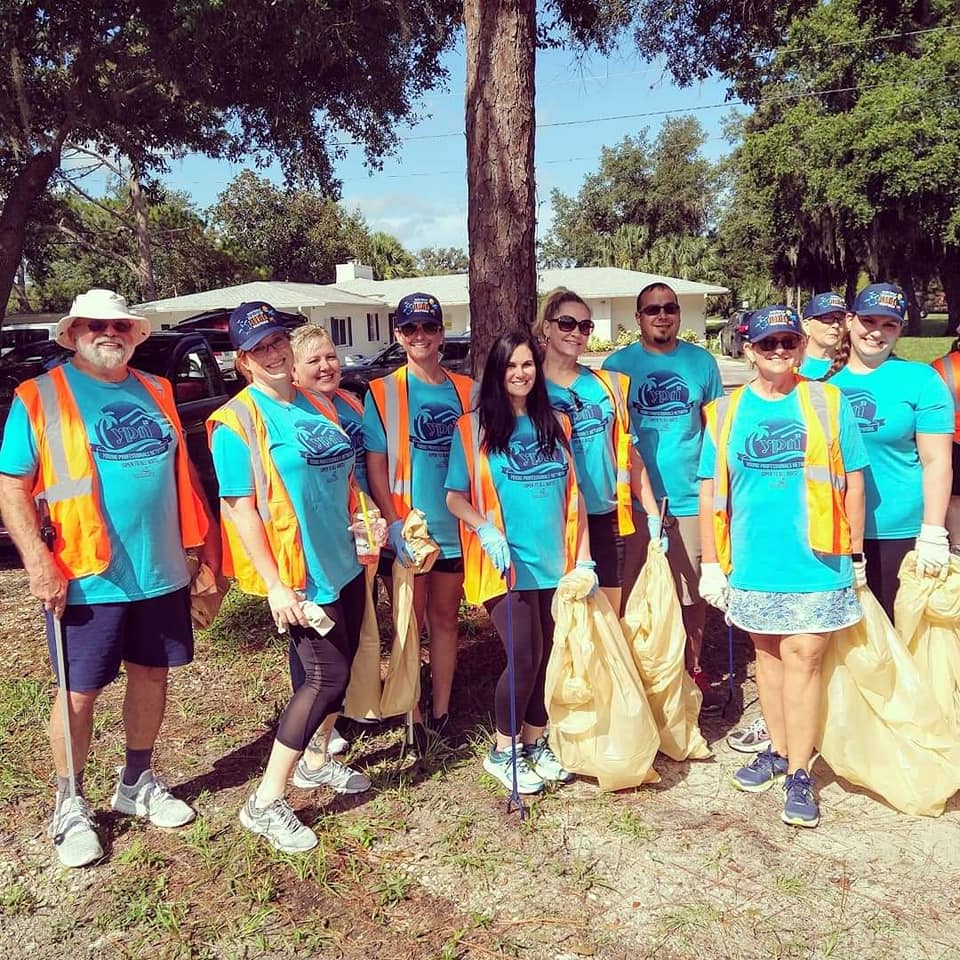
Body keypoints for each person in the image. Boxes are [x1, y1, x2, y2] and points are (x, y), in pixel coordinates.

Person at [0, 288, 218, 868]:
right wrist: (39, 563)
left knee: (151, 674)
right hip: (85, 574)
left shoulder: (157, 390)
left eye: (120, 324)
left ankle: (137, 781)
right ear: (71, 333)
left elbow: (181, 476)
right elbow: (12, 485)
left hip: (161, 569)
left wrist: (199, 554)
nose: (109, 333)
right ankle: (69, 803)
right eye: (94, 324)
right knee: (79, 691)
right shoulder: (39, 396)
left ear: (134, 333)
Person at [208, 302, 373, 855]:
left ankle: (315, 763)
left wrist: (362, 521)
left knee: (336, 677)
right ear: (243, 361)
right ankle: (265, 801)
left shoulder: (316, 404)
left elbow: (339, 477)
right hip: (300, 576)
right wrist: (276, 585)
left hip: (344, 563)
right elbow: (240, 508)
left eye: (279, 341)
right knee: (326, 678)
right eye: (260, 348)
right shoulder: (239, 422)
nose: (275, 353)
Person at [697, 305, 868, 828]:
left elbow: (854, 480)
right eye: (767, 343)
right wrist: (710, 563)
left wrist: (856, 554)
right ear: (748, 349)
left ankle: (798, 770)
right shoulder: (724, 412)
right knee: (767, 658)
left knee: (805, 658)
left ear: (800, 347)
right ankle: (776, 747)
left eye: (788, 342)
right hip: (751, 561)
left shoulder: (827, 400)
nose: (778, 352)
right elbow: (709, 490)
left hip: (818, 558)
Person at [445, 329, 593, 794]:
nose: (520, 373)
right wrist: (484, 528)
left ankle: (534, 742)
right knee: (524, 656)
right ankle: (503, 750)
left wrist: (584, 558)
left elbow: (576, 495)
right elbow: (454, 497)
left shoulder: (557, 423)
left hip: (555, 562)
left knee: (548, 656)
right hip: (505, 565)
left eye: (527, 364)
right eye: (511, 366)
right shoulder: (471, 428)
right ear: (497, 372)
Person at [363, 293, 474, 750]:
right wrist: (393, 522)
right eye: (411, 329)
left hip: (453, 529)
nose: (420, 336)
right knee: (408, 625)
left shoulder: (466, 390)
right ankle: (411, 715)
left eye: (428, 327)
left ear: (441, 333)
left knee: (445, 620)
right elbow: (374, 463)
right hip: (411, 532)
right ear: (399, 335)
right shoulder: (382, 391)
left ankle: (442, 710)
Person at [602, 282, 723, 702]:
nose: (662, 315)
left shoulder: (701, 363)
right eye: (652, 309)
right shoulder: (617, 367)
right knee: (634, 591)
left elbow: (715, 433)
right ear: (638, 317)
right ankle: (638, 673)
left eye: (669, 308)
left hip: (689, 497)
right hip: (633, 502)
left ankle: (692, 669)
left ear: (678, 315)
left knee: (691, 594)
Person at [823, 283, 954, 617]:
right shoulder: (819, 387)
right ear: (850, 321)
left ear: (900, 330)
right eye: (869, 321)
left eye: (889, 324)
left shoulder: (920, 379)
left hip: (902, 532)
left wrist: (934, 531)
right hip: (835, 530)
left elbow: (937, 460)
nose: (876, 332)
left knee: (903, 639)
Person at [538, 287, 660, 613]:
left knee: (608, 617)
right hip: (554, 521)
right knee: (564, 625)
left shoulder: (609, 384)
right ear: (547, 327)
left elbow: (629, 453)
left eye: (585, 326)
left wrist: (651, 513)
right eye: (566, 323)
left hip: (606, 516)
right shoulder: (527, 387)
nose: (576, 332)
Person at [291, 323, 368, 753]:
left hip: (360, 531)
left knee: (353, 632)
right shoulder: (296, 411)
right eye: (314, 360)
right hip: (316, 541)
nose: (326, 366)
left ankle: (341, 711)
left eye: (331, 356)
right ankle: (314, 728)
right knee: (315, 649)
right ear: (295, 371)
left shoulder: (350, 402)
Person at [931, 335, 960, 550]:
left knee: (953, 497)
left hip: (950, 440)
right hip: (951, 440)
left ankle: (957, 545)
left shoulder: (941, 366)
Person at [798, 292, 847, 379]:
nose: (836, 325)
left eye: (840, 319)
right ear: (806, 326)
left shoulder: (851, 365)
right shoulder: (790, 363)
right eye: (827, 318)